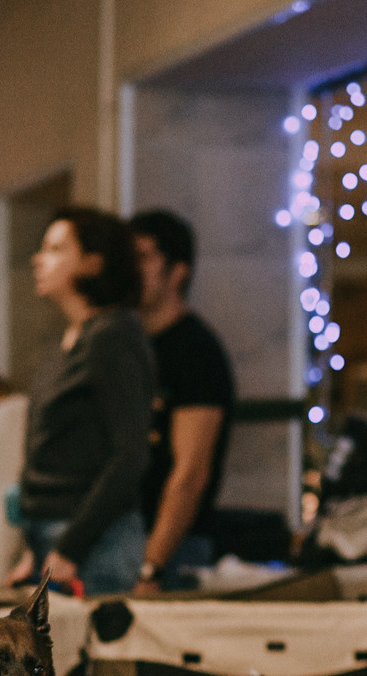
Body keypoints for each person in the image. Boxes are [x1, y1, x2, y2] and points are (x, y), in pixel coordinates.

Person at [11, 208, 155, 596]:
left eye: (57, 249)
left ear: (93, 262)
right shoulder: (68, 339)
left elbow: (130, 454)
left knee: (93, 654)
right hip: (51, 531)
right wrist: (33, 549)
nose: (39, 259)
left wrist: (71, 546)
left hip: (95, 538)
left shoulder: (113, 335)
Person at [129, 210, 236, 594]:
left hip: (175, 549)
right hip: (129, 538)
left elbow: (190, 472)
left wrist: (151, 567)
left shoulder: (195, 351)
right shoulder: (132, 345)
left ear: (178, 271)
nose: (130, 268)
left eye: (142, 257)